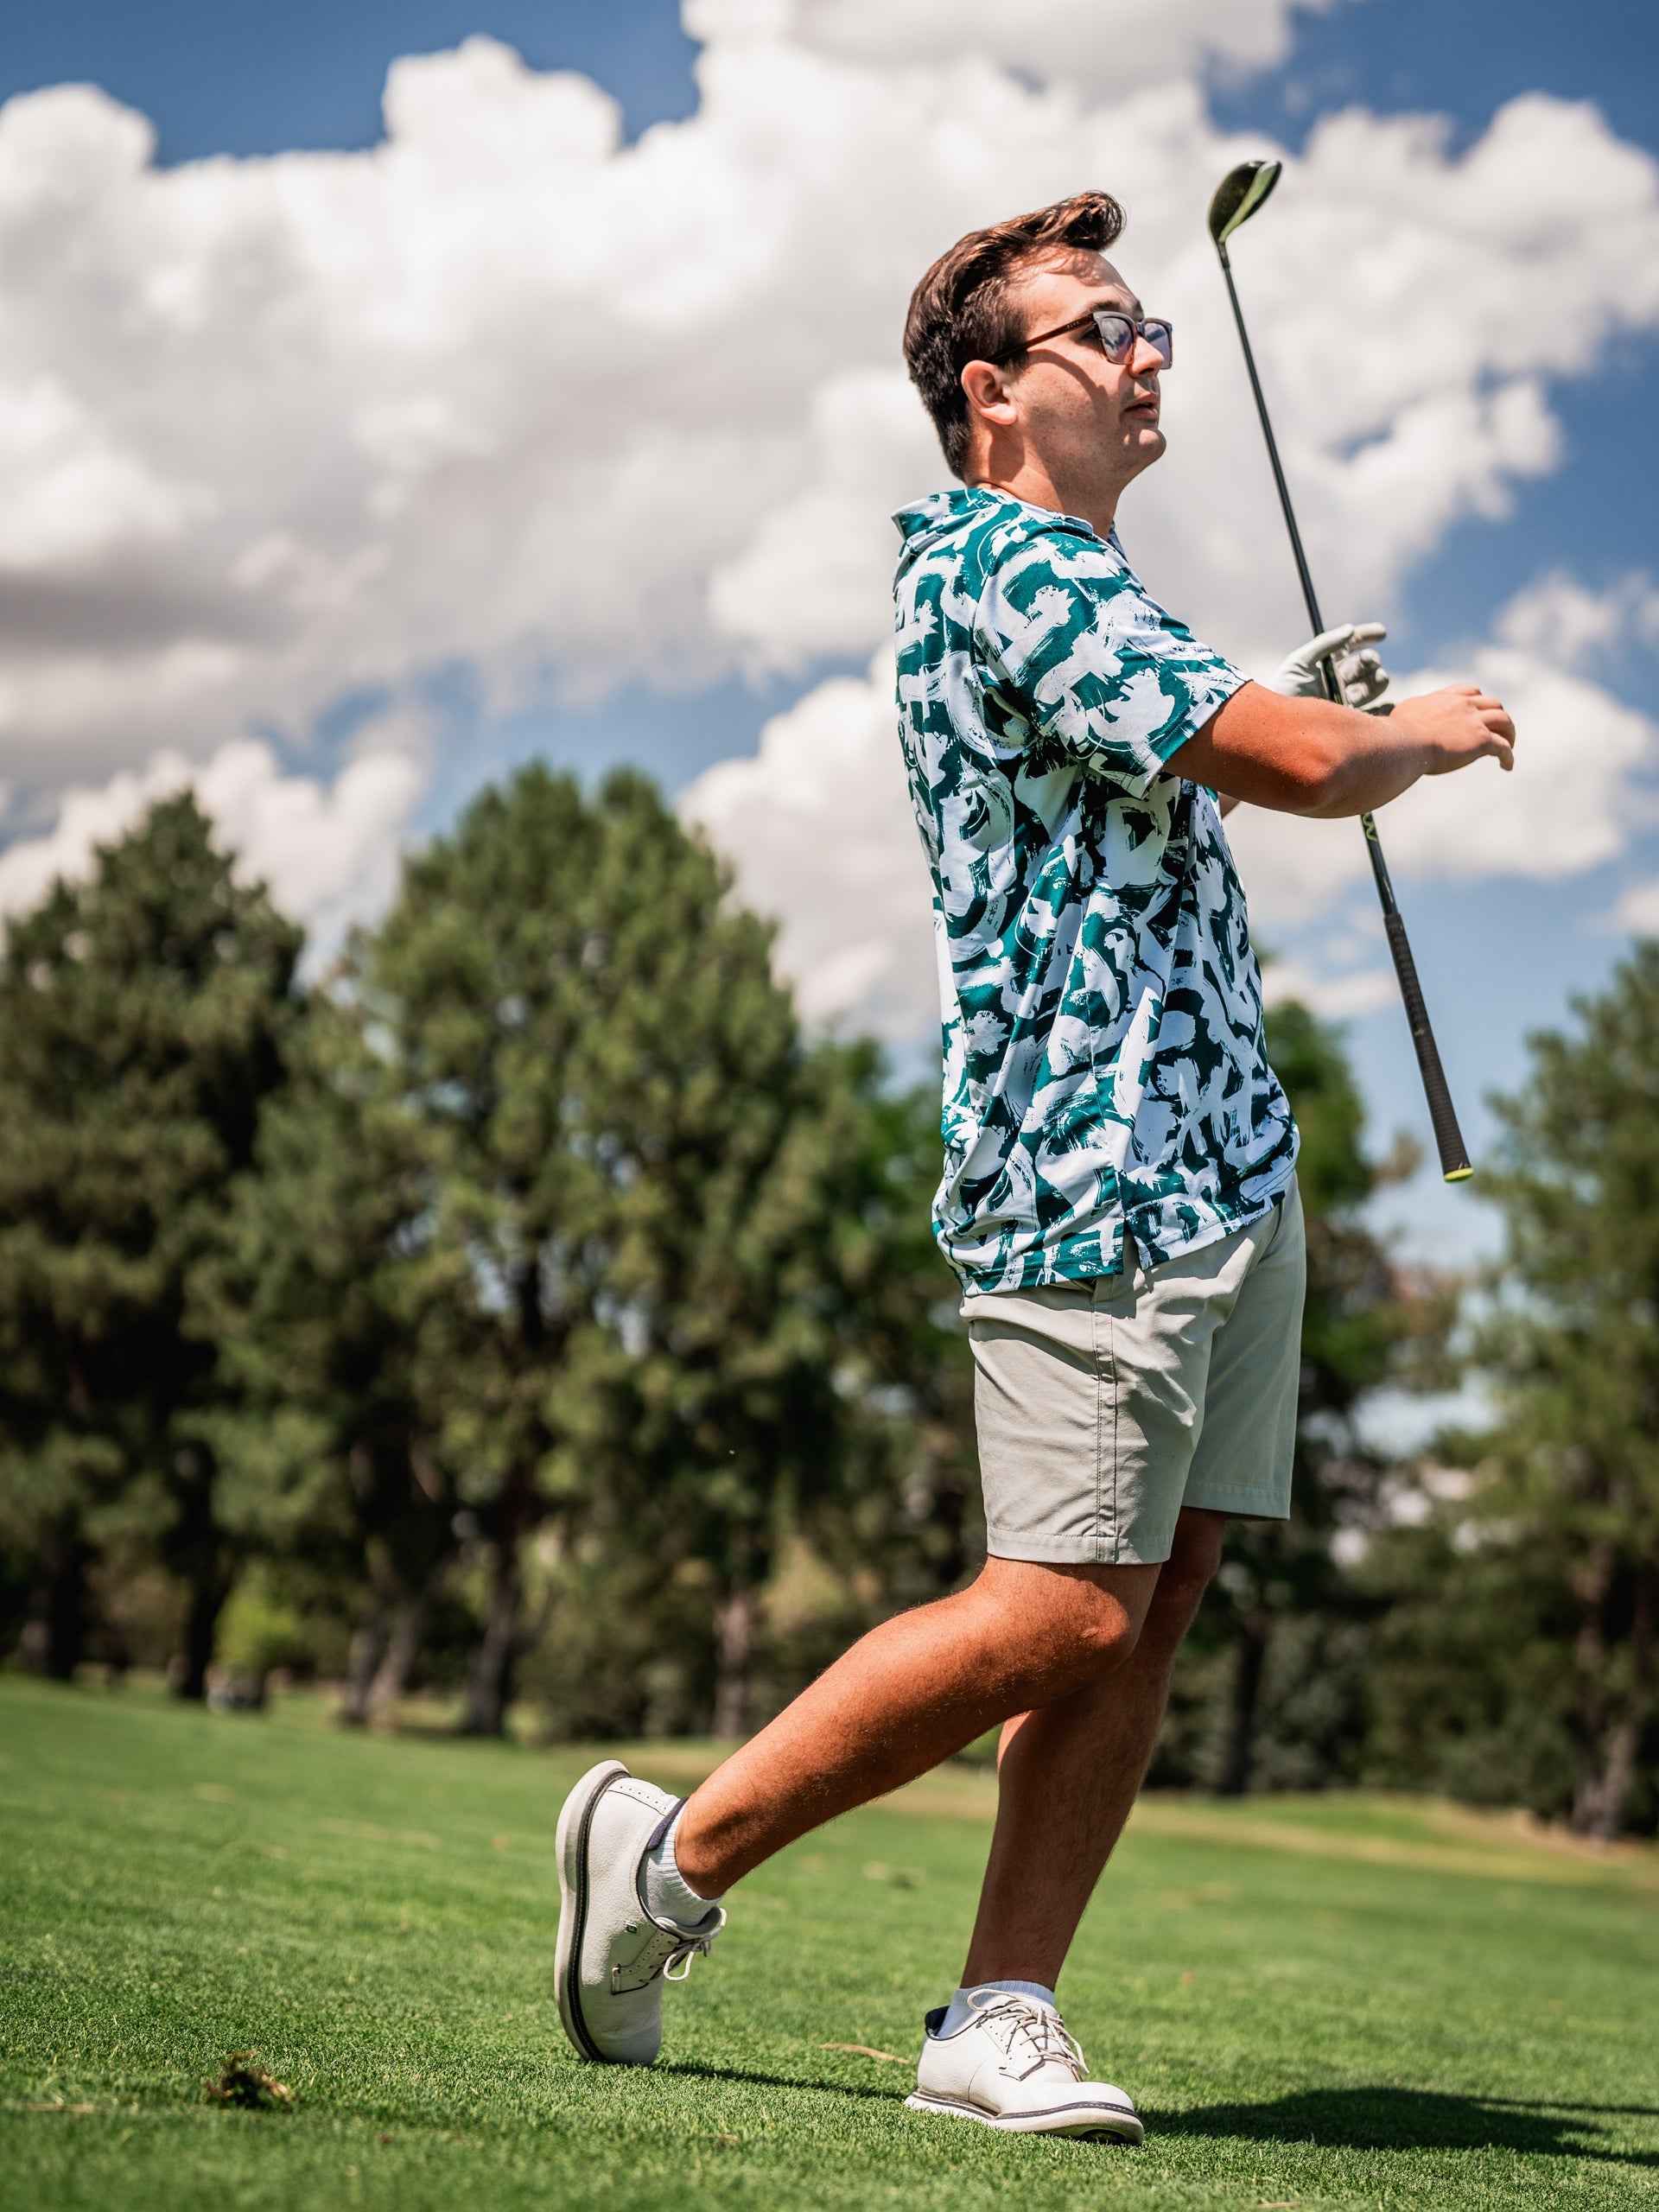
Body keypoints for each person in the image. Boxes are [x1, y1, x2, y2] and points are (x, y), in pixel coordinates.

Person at [553, 189, 1515, 2141]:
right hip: (1095, 1168)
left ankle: (999, 2009)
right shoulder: (1009, 567)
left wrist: (1311, 714)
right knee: (1063, 1605)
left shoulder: (1091, 587)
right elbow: (1302, 769)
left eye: (1154, 322)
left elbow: (1210, 758)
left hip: (1224, 1162)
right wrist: (1401, 732)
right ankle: (665, 1857)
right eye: (1106, 328)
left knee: (1151, 1600)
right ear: (993, 394)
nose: (1148, 352)